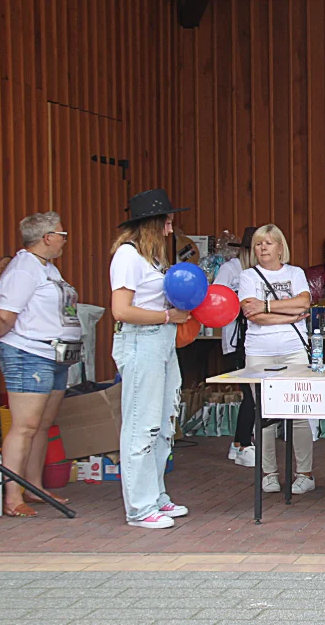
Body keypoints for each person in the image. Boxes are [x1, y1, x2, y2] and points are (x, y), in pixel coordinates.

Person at [109, 189, 192, 530]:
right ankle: (139, 508)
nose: (170, 231)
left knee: (162, 423)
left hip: (160, 343)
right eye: (167, 223)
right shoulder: (127, 257)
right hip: (142, 341)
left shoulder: (151, 260)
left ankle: (155, 495)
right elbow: (121, 310)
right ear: (151, 225)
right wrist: (167, 318)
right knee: (141, 425)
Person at [0, 212, 82, 518]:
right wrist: (0, 340)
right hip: (28, 353)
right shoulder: (23, 269)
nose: (64, 239)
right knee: (25, 425)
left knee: (42, 423)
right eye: (61, 233)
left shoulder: (48, 269)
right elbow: (4, 316)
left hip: (55, 354)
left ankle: (33, 484)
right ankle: (12, 494)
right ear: (46, 238)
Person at [237, 224, 315, 495]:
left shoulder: (296, 273)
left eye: (268, 243)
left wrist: (268, 305)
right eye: (258, 244)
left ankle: (304, 473)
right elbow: (253, 314)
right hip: (259, 350)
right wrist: (290, 314)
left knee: (300, 411)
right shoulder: (247, 276)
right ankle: (269, 473)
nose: (262, 248)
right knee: (264, 413)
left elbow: (304, 302)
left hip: (293, 348)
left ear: (281, 247)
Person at [218, 226, 257, 468]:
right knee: (250, 394)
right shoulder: (230, 269)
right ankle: (243, 444)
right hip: (236, 340)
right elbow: (218, 299)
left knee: (252, 393)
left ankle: (238, 444)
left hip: (255, 340)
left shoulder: (258, 272)